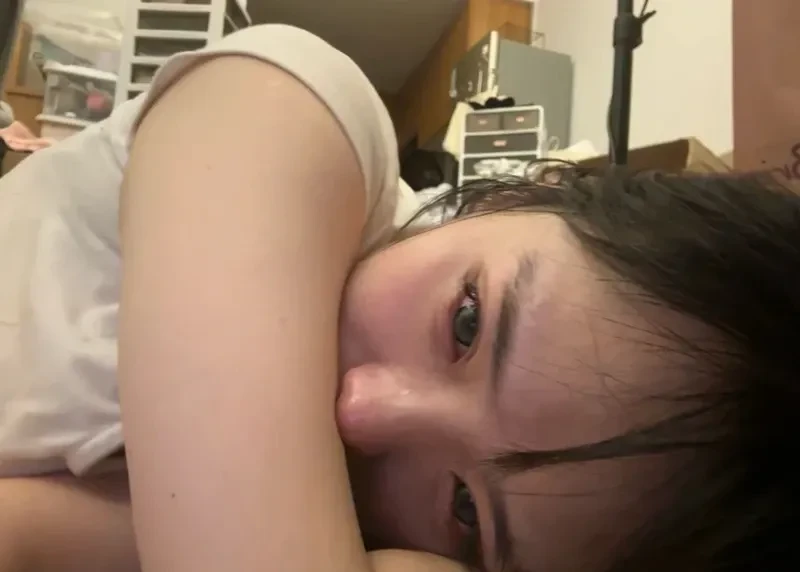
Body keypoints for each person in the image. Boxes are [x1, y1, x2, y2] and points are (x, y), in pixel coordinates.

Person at [0, 23, 797, 572]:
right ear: (526, 193)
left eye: (465, 511)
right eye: (467, 322)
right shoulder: (291, 116)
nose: (363, 412)